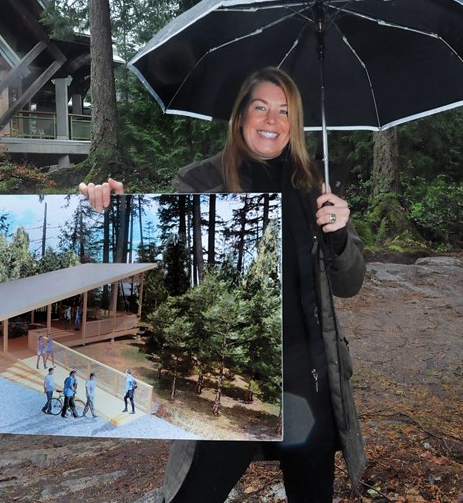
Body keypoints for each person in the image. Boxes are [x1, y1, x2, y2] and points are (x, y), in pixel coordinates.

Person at [80, 67, 366, 503]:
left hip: (309, 380)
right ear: (240, 118)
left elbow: (350, 284)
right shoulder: (199, 182)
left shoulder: (315, 185)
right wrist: (110, 213)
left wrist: (339, 234)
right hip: (231, 374)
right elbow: (162, 261)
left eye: (285, 111)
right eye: (261, 108)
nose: (273, 120)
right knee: (195, 493)